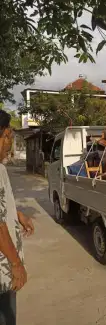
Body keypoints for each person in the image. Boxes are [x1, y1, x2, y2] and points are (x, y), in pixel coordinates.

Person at [0, 110, 34, 325]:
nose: (10, 143)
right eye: (9, 137)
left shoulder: (1, 168)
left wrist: (16, 213)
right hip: (2, 272)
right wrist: (15, 264)